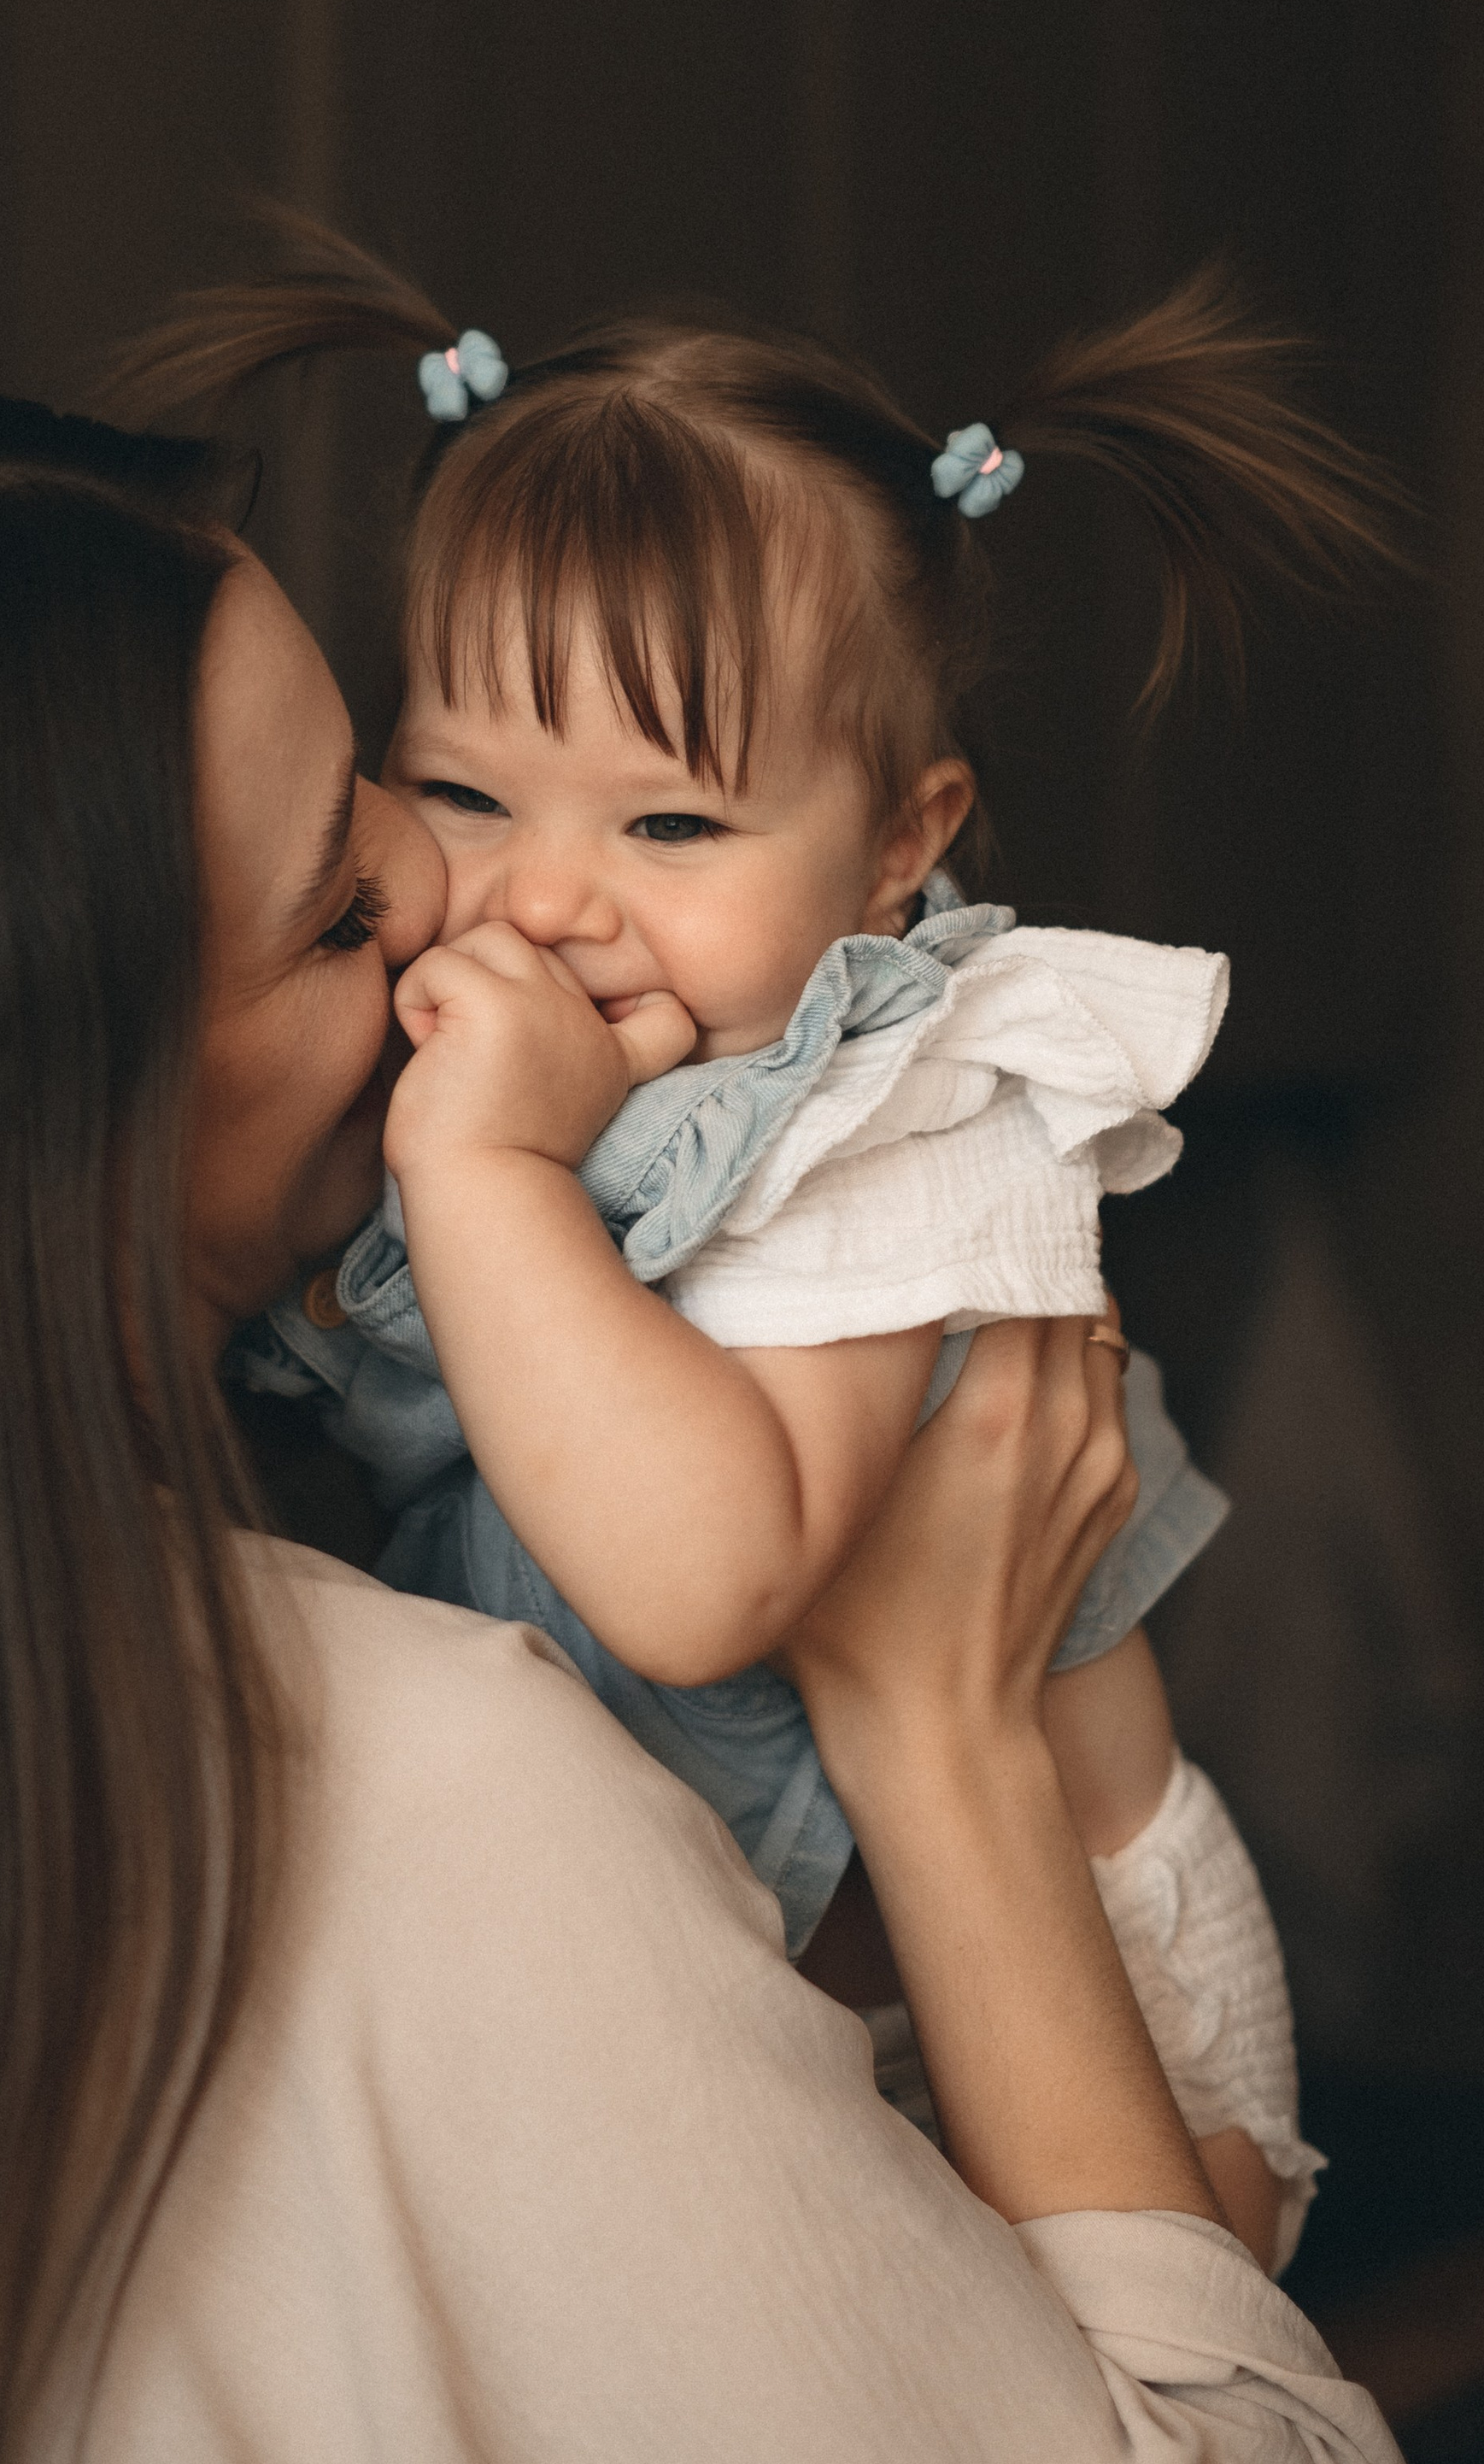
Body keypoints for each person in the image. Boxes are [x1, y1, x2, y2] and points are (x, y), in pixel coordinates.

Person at [0, 385, 1428, 2464]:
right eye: (355, 882)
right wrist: (942, 1737)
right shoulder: (414, 1801)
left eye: (385, 768)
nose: (476, 894)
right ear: (61, 1137)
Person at [111, 225, 1402, 2269]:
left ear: (899, 840)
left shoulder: (894, 1112)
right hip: (753, 1966)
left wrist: (483, 1174)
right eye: (461, 786)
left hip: (1081, 1990)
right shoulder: (507, 1055)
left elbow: (704, 1574)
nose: (540, 901)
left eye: (670, 828)